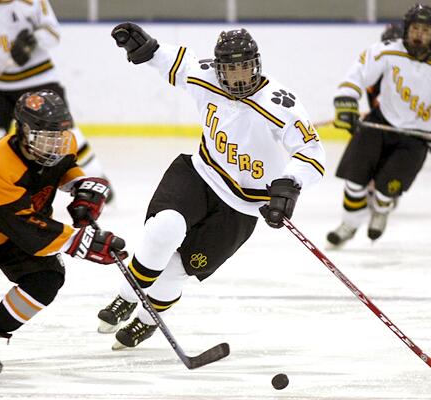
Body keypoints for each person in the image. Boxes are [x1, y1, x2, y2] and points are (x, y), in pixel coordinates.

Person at [95, 24, 326, 349]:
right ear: (218, 68)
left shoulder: (280, 104)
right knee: (164, 229)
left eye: (244, 67)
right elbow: (180, 63)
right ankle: (127, 296)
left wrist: (289, 185)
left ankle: (147, 321)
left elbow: (311, 152)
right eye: (230, 69)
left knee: (177, 269)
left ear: (256, 64)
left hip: (243, 206)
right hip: (200, 175)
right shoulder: (206, 77)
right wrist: (149, 49)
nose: (238, 77)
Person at [0, 89, 127, 381]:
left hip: (16, 230)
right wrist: (78, 241)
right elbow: (21, 225)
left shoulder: (64, 141)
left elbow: (65, 168)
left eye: (58, 135)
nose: (54, 144)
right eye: (45, 136)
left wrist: (82, 187)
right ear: (23, 130)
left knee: (45, 280)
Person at [326, 4, 431, 247]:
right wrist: (347, 99)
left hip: (418, 136)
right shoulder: (388, 51)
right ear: (407, 29)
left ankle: (381, 208)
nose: (419, 34)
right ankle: (349, 224)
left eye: (425, 30)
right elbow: (359, 71)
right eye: (415, 28)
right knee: (354, 180)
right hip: (381, 122)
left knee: (386, 190)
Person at [0, 0, 115, 202]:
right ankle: (4, 188)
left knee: (64, 136)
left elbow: (53, 33)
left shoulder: (29, 2)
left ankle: (96, 179)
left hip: (39, 80)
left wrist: (33, 40)